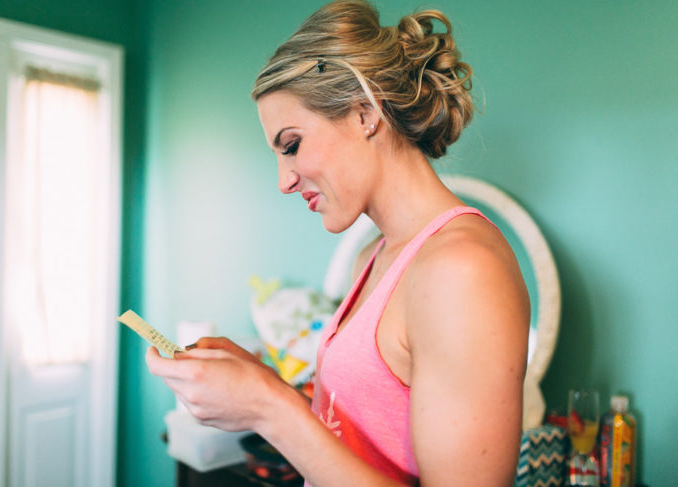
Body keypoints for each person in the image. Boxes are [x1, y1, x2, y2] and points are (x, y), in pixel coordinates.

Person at [146, 1, 530, 485]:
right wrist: (262, 387)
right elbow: (366, 438)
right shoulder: (373, 257)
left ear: (364, 114)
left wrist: (270, 408)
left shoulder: (461, 270)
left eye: (291, 145)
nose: (284, 180)